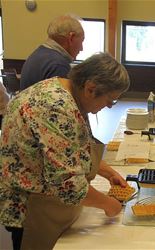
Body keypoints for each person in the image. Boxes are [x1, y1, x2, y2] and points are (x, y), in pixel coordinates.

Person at [0, 52, 130, 250]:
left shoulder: (68, 91)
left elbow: (74, 148)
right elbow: (69, 185)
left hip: (46, 198)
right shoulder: (55, 107)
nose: (108, 107)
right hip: (31, 207)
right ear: (91, 89)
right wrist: (108, 204)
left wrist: (108, 172)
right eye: (110, 101)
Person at [20, 14, 85, 90]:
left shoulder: (38, 53)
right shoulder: (58, 65)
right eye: (81, 41)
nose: (81, 48)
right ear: (71, 38)